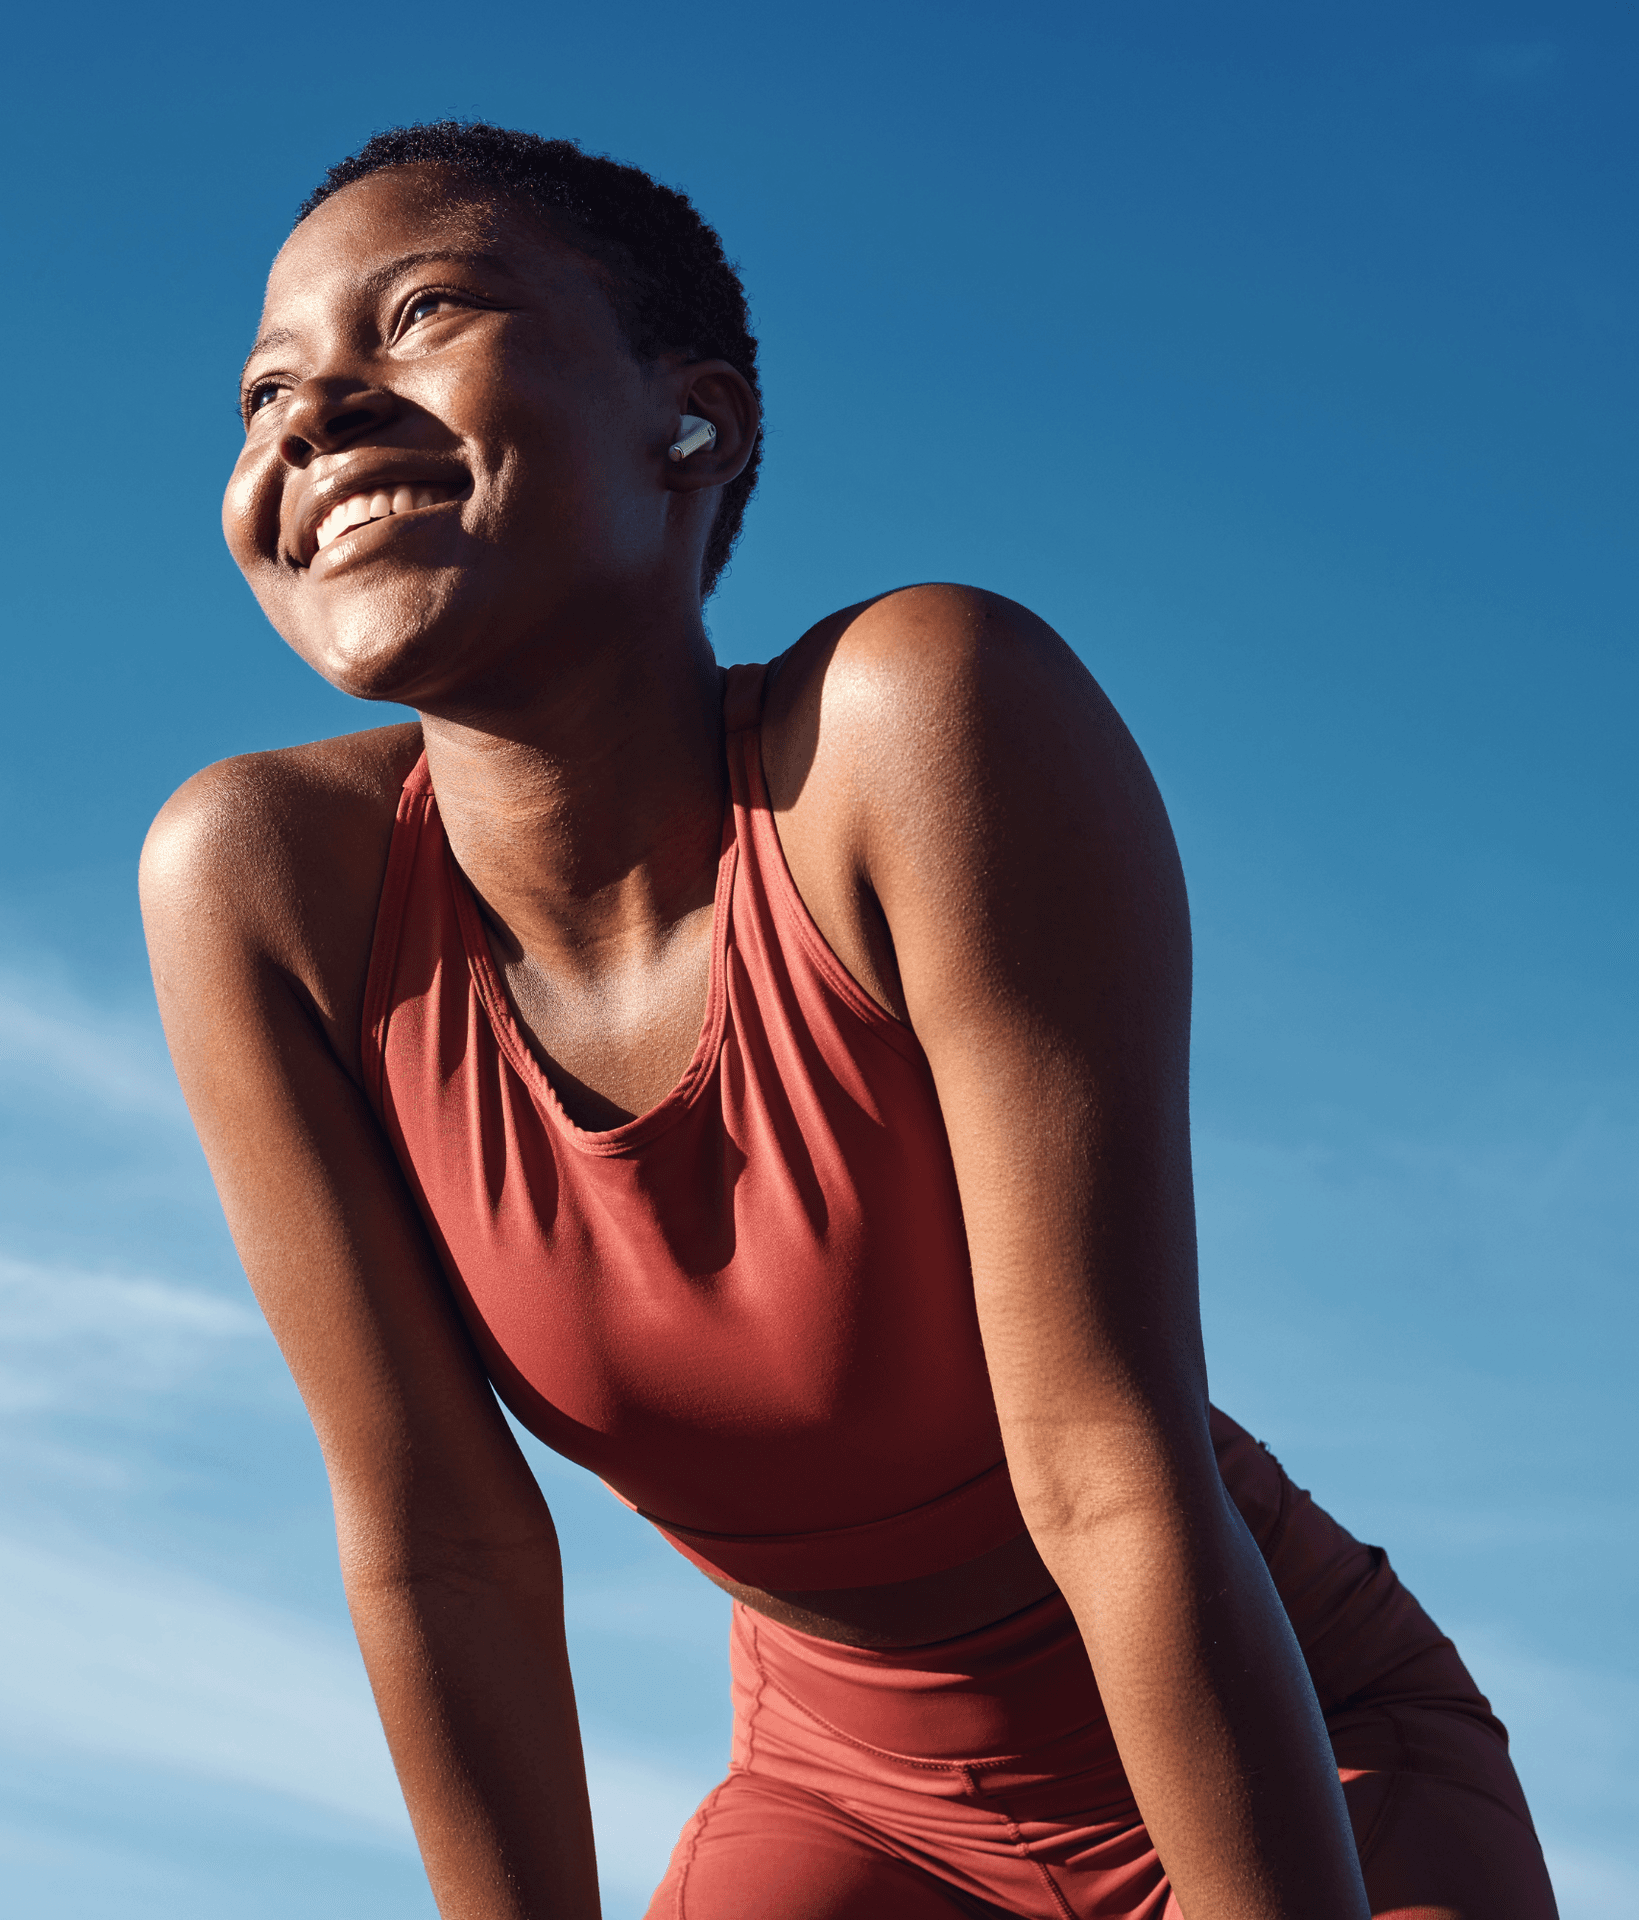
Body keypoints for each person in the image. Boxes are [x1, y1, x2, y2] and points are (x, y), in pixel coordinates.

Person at [140, 122, 1559, 1920]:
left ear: (696, 423)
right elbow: (442, 1544)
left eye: (420, 314)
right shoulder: (258, 884)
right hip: (849, 1808)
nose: (310, 415)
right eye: (264, 390)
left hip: (1290, 1765)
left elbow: (1106, 1465)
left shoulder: (913, 727)